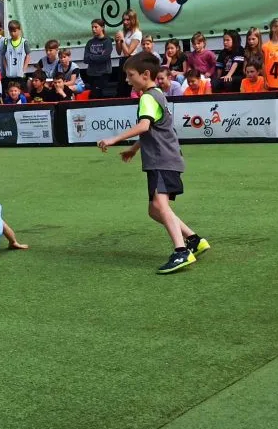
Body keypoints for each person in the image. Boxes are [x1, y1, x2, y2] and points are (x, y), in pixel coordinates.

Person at [97, 52, 210, 274]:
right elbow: (154, 130)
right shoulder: (158, 94)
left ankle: (181, 251)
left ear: (145, 74)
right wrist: (133, 149)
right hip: (166, 158)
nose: (127, 80)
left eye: (130, 75)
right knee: (154, 209)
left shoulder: (147, 98)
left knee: (160, 205)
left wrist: (114, 139)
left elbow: (144, 126)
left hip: (162, 159)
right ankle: (194, 240)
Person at [83, 19, 113, 97]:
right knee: (93, 95)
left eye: (96, 27)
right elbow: (85, 59)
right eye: (92, 27)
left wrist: (91, 56)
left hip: (103, 73)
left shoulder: (107, 41)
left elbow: (104, 57)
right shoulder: (90, 42)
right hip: (91, 74)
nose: (93, 29)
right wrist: (99, 56)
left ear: (102, 27)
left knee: (101, 95)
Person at [2, 20, 29, 92]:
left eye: (15, 31)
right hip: (9, 75)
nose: (12, 33)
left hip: (19, 75)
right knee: (9, 93)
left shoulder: (24, 42)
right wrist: (6, 68)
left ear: (19, 30)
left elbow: (28, 56)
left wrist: (24, 69)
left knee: (21, 93)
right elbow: (3, 56)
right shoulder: (6, 42)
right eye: (11, 31)